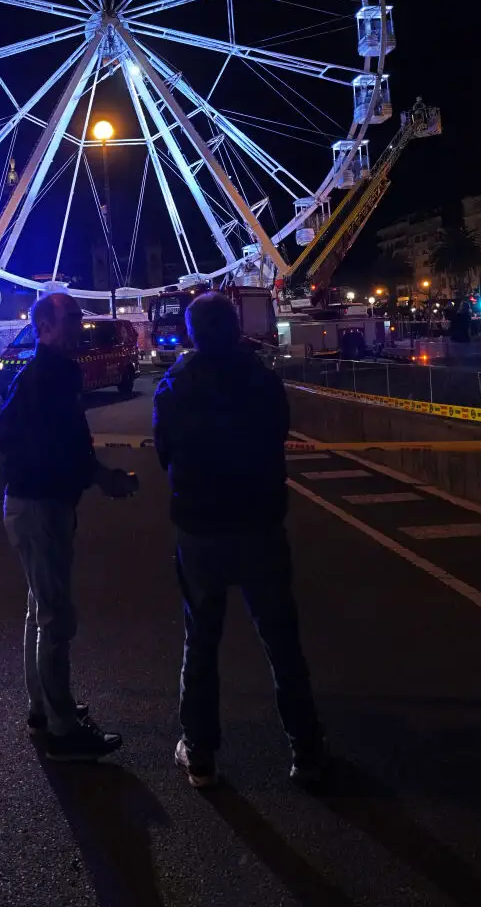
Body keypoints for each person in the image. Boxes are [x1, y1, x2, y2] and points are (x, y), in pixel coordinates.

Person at [153, 292, 326, 789]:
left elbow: (166, 452)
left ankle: (200, 751)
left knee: (201, 642)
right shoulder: (262, 379)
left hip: (201, 527)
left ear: (191, 333)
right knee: (282, 642)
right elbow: (278, 433)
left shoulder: (175, 385)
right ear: (234, 328)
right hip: (258, 523)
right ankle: (306, 749)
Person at [0, 292, 136, 762]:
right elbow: (66, 447)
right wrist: (100, 478)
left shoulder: (37, 376)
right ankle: (62, 729)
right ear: (45, 327)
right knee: (55, 619)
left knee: (40, 611)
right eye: (71, 317)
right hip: (41, 508)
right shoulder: (51, 378)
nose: (80, 324)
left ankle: (45, 707)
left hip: (32, 503)